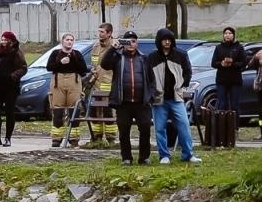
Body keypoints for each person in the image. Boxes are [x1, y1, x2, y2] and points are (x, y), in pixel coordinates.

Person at [147, 27, 199, 164]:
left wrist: (182, 84)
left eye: (169, 39)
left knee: (184, 124)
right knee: (159, 128)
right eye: (164, 39)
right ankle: (164, 155)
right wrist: (152, 92)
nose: (167, 42)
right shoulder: (152, 57)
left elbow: (188, 71)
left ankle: (188, 154)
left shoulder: (180, 55)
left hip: (176, 97)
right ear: (159, 41)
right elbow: (148, 76)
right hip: (159, 98)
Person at [101, 30, 153, 165]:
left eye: (133, 41)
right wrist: (113, 48)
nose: (131, 44)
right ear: (123, 44)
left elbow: (151, 78)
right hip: (123, 101)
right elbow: (104, 64)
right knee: (124, 131)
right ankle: (126, 158)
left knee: (145, 128)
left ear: (137, 43)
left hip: (141, 102)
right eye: (128, 41)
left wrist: (150, 95)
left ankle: (144, 157)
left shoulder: (144, 58)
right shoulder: (118, 57)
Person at [45, 32, 91, 147]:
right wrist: (60, 62)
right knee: (57, 110)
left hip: (74, 81)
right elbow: (49, 67)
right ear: (62, 41)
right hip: (58, 82)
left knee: (74, 109)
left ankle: (74, 138)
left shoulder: (77, 54)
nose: (69, 42)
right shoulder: (56, 53)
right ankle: (56, 138)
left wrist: (73, 60)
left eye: (71, 40)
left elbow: (83, 70)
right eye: (67, 39)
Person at [0, 31, 27, 147]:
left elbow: (23, 68)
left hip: (10, 87)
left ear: (11, 41)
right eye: (2, 39)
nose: (3, 42)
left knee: (9, 112)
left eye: (5, 40)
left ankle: (8, 138)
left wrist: (12, 76)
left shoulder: (16, 52)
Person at [86, 22, 118, 147]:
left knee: (108, 111)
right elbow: (95, 64)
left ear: (109, 33)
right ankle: (96, 137)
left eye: (102, 32)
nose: (99, 34)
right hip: (96, 82)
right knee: (94, 111)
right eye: (98, 31)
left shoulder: (115, 46)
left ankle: (111, 139)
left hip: (109, 82)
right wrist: (92, 71)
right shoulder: (95, 46)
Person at [211, 26, 246, 114]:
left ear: (233, 35)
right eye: (226, 33)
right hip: (222, 80)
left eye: (230, 33)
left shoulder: (239, 47)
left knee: (234, 105)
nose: (227, 35)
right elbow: (213, 63)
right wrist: (221, 63)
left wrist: (232, 63)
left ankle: (234, 126)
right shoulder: (219, 47)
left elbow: (244, 63)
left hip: (235, 80)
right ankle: (222, 126)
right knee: (222, 104)